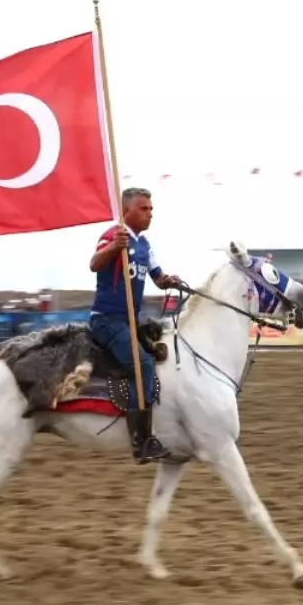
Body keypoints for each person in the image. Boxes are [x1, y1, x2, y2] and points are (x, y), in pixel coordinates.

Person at [88, 187, 183, 464]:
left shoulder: (145, 245)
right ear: (126, 210)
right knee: (142, 365)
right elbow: (94, 264)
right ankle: (141, 441)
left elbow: (158, 277)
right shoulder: (112, 235)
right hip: (106, 320)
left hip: (131, 320)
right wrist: (112, 248)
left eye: (151, 209)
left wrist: (169, 281)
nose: (150, 214)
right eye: (144, 209)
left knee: (162, 353)